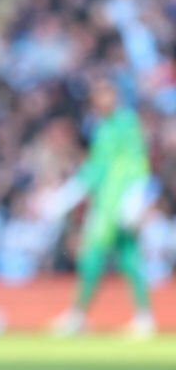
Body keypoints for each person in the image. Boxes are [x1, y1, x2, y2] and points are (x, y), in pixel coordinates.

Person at [45, 78, 156, 337]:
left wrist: (136, 196)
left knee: (97, 256)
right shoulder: (103, 127)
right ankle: (142, 316)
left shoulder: (124, 123)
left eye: (104, 95)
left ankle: (79, 315)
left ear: (114, 97)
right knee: (128, 257)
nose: (100, 101)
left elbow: (137, 162)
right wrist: (68, 195)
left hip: (115, 203)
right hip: (107, 201)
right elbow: (96, 169)